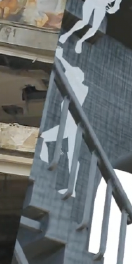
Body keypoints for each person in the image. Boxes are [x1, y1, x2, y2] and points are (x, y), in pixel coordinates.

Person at [38, 47, 88, 195]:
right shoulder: (74, 87)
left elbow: (71, 71)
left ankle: (72, 189)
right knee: (46, 140)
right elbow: (70, 73)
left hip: (73, 125)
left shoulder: (82, 87)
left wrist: (60, 57)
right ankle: (44, 164)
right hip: (68, 124)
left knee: (72, 155)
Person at [59, 0, 132, 54]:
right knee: (84, 21)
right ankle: (67, 34)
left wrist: (112, 10)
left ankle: (80, 41)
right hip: (93, 0)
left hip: (102, 6)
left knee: (94, 29)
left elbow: (116, 5)